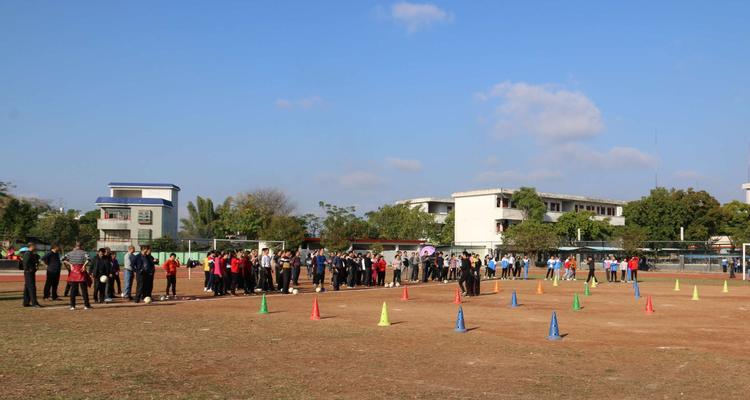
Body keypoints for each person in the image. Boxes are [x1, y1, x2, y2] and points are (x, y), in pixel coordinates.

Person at [63, 242, 91, 310]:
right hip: (81, 271)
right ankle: (86, 306)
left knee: (73, 290)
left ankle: (72, 306)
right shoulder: (84, 252)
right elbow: (89, 259)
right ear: (81, 246)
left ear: (75, 246)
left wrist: (70, 264)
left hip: (73, 272)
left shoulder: (69, 253)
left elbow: (62, 259)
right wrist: (84, 265)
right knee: (84, 290)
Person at [22, 243, 42, 308]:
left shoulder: (31, 253)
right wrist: (28, 269)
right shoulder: (28, 253)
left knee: (27, 287)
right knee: (32, 287)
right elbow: (25, 262)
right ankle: (34, 303)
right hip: (28, 272)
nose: (35, 247)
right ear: (31, 246)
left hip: (30, 272)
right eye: (34, 246)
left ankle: (26, 302)